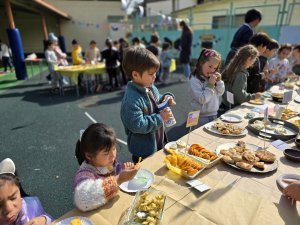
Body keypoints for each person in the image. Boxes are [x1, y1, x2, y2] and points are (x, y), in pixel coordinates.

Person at [120, 47, 176, 163]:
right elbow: (137, 125)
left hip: (158, 142)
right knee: (146, 178)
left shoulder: (149, 86)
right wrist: (161, 117)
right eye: (151, 74)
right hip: (143, 152)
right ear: (135, 75)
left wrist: (166, 98)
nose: (155, 77)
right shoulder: (131, 100)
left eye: (155, 73)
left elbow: (157, 99)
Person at [73, 123, 139, 212]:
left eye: (114, 148)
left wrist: (124, 171)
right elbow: (81, 200)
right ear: (89, 155)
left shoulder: (111, 162)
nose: (113, 155)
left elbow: (117, 174)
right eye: (106, 153)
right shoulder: (85, 173)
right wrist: (119, 179)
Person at [0, 158, 52, 225]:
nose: (8, 209)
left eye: (13, 198)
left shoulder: (33, 206)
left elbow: (54, 220)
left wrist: (44, 220)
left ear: (19, 189)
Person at [189, 49, 224, 126]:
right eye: (210, 66)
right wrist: (210, 85)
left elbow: (221, 92)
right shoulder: (194, 80)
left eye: (215, 68)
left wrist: (219, 82)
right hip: (197, 115)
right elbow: (202, 99)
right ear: (201, 63)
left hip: (213, 114)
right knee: (194, 136)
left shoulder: (212, 77)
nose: (212, 70)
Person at [222, 44, 261, 109]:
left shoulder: (232, 67)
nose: (253, 63)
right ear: (249, 59)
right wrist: (253, 97)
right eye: (253, 60)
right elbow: (239, 93)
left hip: (225, 103)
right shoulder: (241, 73)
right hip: (232, 106)